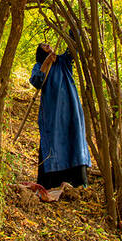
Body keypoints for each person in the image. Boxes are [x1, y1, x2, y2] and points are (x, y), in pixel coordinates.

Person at [29, 39, 92, 189]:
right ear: (40, 52)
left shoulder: (63, 62)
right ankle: (51, 181)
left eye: (48, 44)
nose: (48, 46)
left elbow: (73, 48)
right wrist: (46, 63)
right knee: (52, 138)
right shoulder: (39, 66)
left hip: (70, 108)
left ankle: (77, 180)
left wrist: (72, 32)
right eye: (44, 46)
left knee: (73, 137)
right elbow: (36, 81)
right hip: (52, 111)